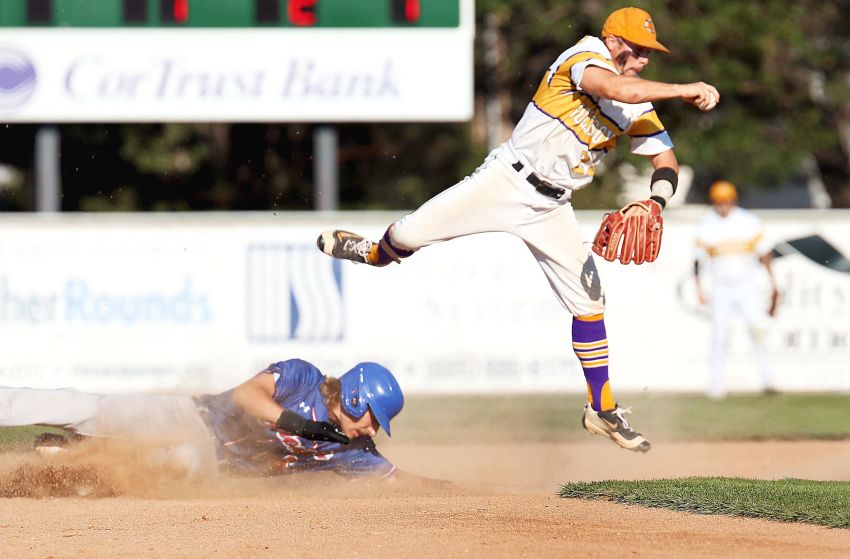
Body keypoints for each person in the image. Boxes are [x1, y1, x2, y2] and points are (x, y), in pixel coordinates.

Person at [316, 7, 720, 452]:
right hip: (506, 179)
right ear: (612, 41)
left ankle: (602, 409)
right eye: (637, 50)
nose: (643, 59)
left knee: (590, 304)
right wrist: (683, 89)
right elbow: (615, 87)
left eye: (648, 53)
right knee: (408, 237)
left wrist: (655, 200)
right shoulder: (584, 56)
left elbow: (665, 161)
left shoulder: (637, 104)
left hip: (552, 207)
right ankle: (375, 253)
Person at [0, 359, 404, 479]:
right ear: (355, 398)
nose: (372, 430)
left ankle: (80, 456)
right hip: (193, 416)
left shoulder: (351, 451)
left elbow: (399, 482)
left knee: (180, 462)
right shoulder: (304, 378)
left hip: (212, 463)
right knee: (86, 408)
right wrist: (300, 425)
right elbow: (247, 394)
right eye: (373, 419)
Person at [695, 180, 779, 398]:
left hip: (747, 285)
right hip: (721, 287)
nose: (723, 206)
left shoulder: (748, 222)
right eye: (719, 202)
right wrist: (699, 288)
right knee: (720, 335)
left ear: (733, 200)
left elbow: (765, 254)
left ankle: (768, 379)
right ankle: (716, 385)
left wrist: (773, 284)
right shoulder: (707, 224)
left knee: (758, 330)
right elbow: (698, 260)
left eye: (726, 201)